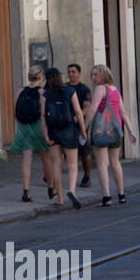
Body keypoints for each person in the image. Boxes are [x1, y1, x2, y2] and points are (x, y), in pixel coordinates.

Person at [82, 65, 138, 206]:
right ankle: (121, 194)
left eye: (96, 74)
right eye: (92, 74)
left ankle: (106, 197)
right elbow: (123, 112)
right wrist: (131, 131)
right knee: (115, 163)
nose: (93, 78)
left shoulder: (100, 89)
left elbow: (93, 110)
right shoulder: (115, 90)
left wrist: (84, 127)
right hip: (115, 129)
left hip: (101, 130)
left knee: (102, 164)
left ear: (103, 75)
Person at [41, 67, 87, 209]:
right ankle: (72, 190)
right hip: (69, 130)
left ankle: (59, 198)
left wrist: (46, 135)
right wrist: (83, 130)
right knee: (73, 165)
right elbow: (78, 112)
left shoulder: (45, 95)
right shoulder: (70, 91)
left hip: (54, 132)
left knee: (56, 165)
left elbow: (43, 116)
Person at [8, 68, 52, 203]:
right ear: (41, 77)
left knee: (26, 159)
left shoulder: (20, 91)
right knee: (45, 158)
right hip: (38, 126)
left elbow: (15, 111)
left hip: (24, 127)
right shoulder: (42, 92)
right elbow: (45, 113)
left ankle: (26, 191)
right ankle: (51, 187)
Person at [67, 64, 93, 188]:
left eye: (73, 71)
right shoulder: (64, 88)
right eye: (69, 72)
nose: (71, 74)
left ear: (79, 73)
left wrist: (78, 117)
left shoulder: (84, 89)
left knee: (84, 151)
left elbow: (87, 107)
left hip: (80, 124)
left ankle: (87, 176)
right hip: (66, 124)